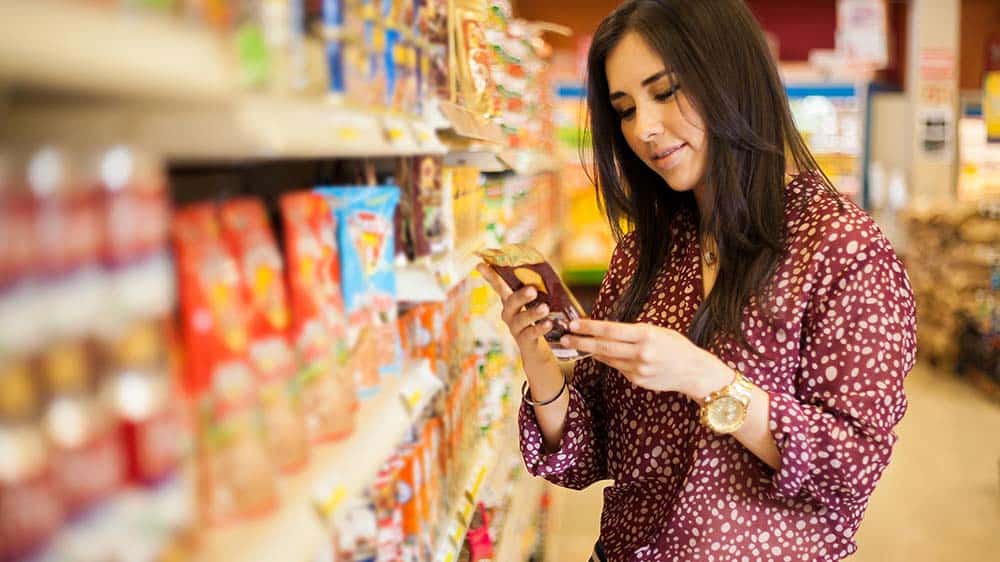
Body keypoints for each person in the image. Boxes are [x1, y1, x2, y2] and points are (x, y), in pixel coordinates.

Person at [476, 1, 917, 561]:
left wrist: (704, 377)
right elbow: (587, 455)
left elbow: (852, 466)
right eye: (625, 108)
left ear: (730, 77)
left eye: (665, 92)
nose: (644, 129)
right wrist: (540, 361)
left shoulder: (840, 249)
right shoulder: (646, 252)